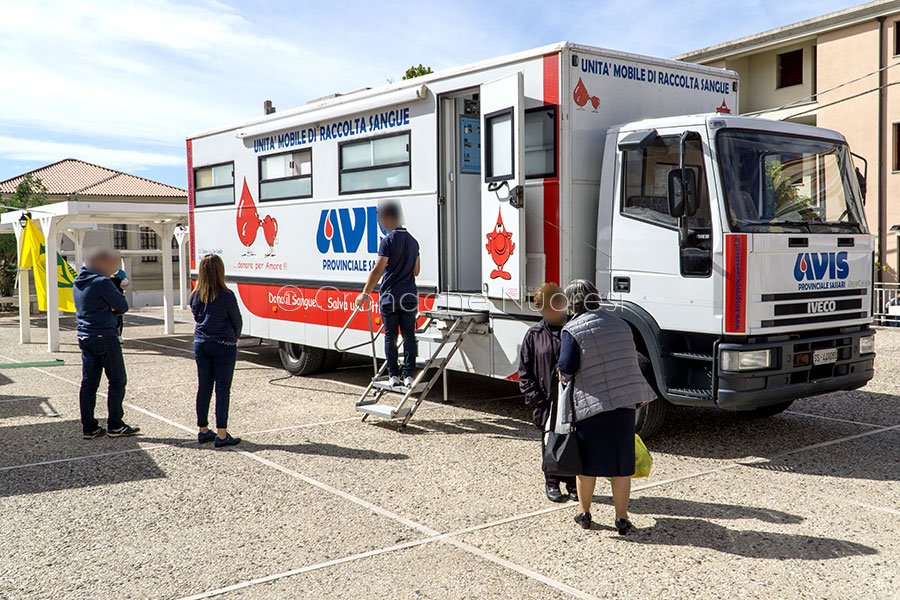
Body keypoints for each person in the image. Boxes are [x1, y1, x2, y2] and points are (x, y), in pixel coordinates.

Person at [558, 279, 655, 534]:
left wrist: (562, 375)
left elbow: (567, 366)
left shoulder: (572, 329)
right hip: (623, 404)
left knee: (586, 465)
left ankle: (584, 513)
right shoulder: (621, 324)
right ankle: (621, 518)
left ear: (571, 302)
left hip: (592, 407)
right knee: (621, 466)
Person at [518, 282, 577, 503]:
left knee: (573, 441)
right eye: (544, 310)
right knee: (548, 442)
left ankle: (572, 482)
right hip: (546, 400)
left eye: (552, 307)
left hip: (571, 399)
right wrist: (537, 400)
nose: (549, 313)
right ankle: (551, 482)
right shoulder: (533, 334)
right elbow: (524, 371)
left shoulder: (574, 329)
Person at [73, 248, 140, 439]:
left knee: (89, 383)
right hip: (105, 336)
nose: (115, 267)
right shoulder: (102, 282)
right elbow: (122, 306)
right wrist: (112, 303)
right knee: (117, 380)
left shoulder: (79, 281)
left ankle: (89, 427)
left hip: (85, 336)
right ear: (101, 263)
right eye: (112, 263)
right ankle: (115, 424)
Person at [355, 201, 420, 388]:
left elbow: (377, 270)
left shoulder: (388, 241)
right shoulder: (413, 242)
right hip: (409, 297)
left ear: (389, 217)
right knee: (409, 336)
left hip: (390, 297)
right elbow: (416, 271)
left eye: (380, 218)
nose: (380, 223)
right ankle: (408, 375)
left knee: (390, 336)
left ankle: (393, 375)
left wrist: (364, 293)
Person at [190, 254, 242, 447]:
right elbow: (237, 320)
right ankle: (222, 434)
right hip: (223, 345)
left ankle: (203, 430)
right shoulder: (226, 295)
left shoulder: (196, 295)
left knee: (204, 387)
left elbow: (196, 316)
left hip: (201, 343)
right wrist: (235, 336)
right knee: (222, 389)